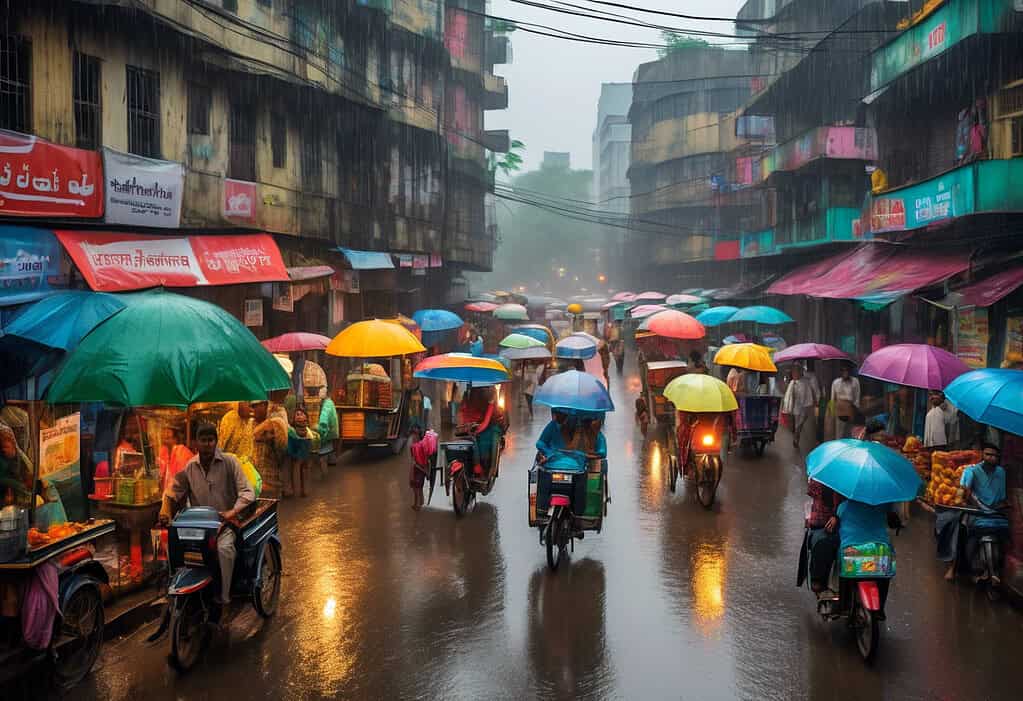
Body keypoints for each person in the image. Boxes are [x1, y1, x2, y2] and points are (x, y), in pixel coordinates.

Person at [159, 424, 255, 606]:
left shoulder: (230, 462)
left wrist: (232, 511)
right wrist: (165, 510)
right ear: (196, 443)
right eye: (203, 440)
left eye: (211, 440)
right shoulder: (190, 467)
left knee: (224, 550)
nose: (207, 444)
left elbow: (247, 492)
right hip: (198, 525)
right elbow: (173, 490)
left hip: (224, 524)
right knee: (176, 548)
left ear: (216, 442)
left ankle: (225, 597)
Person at [960, 443, 1010, 585]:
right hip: (977, 512)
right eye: (988, 454)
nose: (991, 458)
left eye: (995, 456)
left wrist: (1001, 506)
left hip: (995, 513)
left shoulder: (1001, 472)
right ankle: (966, 567)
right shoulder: (972, 471)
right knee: (963, 534)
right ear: (982, 454)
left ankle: (993, 571)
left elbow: (1001, 496)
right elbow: (966, 493)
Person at [803, 479, 844, 596]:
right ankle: (819, 583)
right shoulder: (821, 481)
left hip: (846, 526)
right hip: (822, 524)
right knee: (823, 544)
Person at [252, 401, 288, 497]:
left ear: (264, 405)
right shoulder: (253, 422)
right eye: (252, 406)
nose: (252, 409)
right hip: (254, 479)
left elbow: (256, 434)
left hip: (270, 481)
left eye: (255, 406)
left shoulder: (276, 421)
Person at [783, 365, 818, 451]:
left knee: (800, 423)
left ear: (800, 372)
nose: (795, 374)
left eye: (796, 372)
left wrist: (811, 403)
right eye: (793, 372)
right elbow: (788, 396)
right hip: (793, 408)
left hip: (803, 408)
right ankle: (796, 437)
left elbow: (808, 394)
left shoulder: (805, 382)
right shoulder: (792, 383)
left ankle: (797, 434)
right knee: (794, 424)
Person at [286, 408, 318, 498]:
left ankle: (305, 491)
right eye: (297, 414)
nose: (300, 416)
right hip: (296, 455)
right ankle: (297, 492)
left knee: (305, 471)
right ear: (294, 419)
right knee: (296, 471)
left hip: (305, 455)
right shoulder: (291, 432)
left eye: (302, 414)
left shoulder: (309, 432)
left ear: (306, 417)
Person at [0, 421, 32, 505]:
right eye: (3, 447)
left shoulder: (17, 458)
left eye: (6, 447)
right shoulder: (3, 460)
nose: (4, 450)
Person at [409, 423, 437, 511]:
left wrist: (426, 471)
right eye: (413, 435)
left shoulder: (422, 445)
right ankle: (416, 504)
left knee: (419, 488)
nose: (413, 437)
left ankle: (420, 505)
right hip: (415, 468)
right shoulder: (412, 446)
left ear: (418, 435)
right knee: (414, 487)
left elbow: (427, 459)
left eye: (415, 435)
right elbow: (413, 459)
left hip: (421, 468)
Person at [158, 426, 194, 495]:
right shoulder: (163, 450)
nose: (164, 434)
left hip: (179, 496)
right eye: (163, 430)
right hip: (167, 495)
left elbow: (181, 481)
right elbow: (161, 475)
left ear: (175, 439)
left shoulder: (182, 451)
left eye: (168, 432)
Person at [830, 365, 861, 439]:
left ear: (850, 372)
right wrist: (832, 412)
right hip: (839, 410)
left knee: (851, 432)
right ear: (840, 372)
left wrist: (855, 411)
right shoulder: (836, 382)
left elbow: (857, 397)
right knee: (839, 433)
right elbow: (832, 398)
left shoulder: (855, 381)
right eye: (843, 371)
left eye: (846, 370)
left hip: (851, 409)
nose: (845, 372)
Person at [315, 387, 339, 473]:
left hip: (326, 436)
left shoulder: (327, 405)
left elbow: (323, 422)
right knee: (328, 454)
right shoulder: (330, 402)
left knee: (322, 458)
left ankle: (325, 480)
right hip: (331, 435)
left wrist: (317, 428)